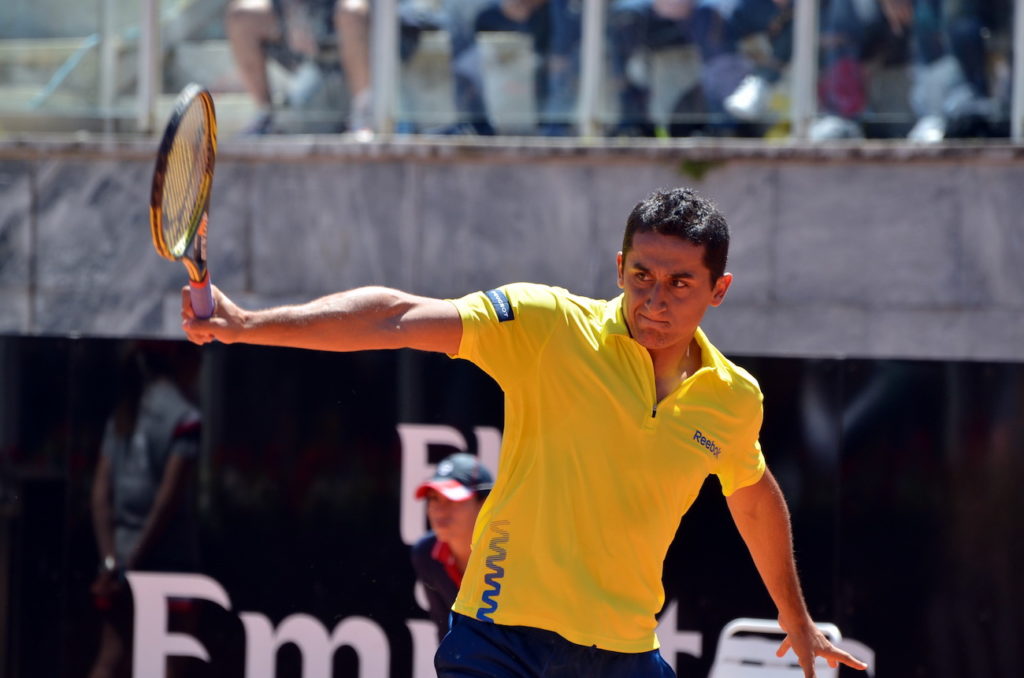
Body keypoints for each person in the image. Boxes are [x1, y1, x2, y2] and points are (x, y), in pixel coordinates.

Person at [181, 187, 868, 677]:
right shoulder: (547, 325)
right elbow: (396, 316)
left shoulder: (731, 398)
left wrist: (795, 618)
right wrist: (247, 327)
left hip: (625, 652)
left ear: (718, 290)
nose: (654, 300)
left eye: (680, 284)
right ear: (617, 269)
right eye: (641, 276)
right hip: (500, 641)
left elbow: (752, 496)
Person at [88, 342, 202, 678]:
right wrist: (134, 561)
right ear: (180, 358)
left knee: (111, 655)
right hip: (169, 559)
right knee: (170, 660)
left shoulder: (126, 410)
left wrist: (112, 561)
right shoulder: (186, 416)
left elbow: (99, 494)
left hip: (119, 555)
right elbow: (168, 498)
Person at [411, 452, 493, 641]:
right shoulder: (425, 554)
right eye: (433, 498)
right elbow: (447, 637)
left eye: (452, 498)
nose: (438, 508)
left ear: (485, 503)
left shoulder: (513, 555)